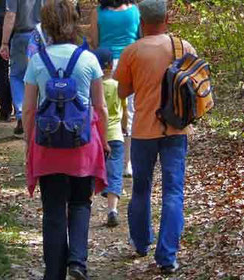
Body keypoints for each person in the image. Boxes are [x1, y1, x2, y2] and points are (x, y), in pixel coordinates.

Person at [23, 0, 110, 278]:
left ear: (46, 26)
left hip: (47, 145)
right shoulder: (89, 60)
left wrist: (29, 141)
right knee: (80, 203)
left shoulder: (38, 61)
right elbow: (100, 107)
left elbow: (28, 108)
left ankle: (54, 272)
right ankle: (77, 262)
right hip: (81, 143)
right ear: (75, 23)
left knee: (52, 210)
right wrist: (105, 140)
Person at [114, 0, 196, 275]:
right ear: (167, 18)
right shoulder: (184, 47)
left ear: (142, 22)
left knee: (141, 187)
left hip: (143, 131)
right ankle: (167, 256)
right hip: (176, 129)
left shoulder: (132, 51)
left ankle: (141, 241)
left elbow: (122, 92)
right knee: (173, 191)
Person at [89, 0, 140, 177]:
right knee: (130, 112)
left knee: (103, 109)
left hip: (105, 66)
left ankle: (103, 157)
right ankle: (128, 163)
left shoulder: (98, 13)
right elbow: (140, 38)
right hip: (131, 63)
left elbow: (95, 42)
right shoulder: (134, 11)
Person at [0, 0, 45, 137]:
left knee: (17, 76)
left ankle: (21, 115)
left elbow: (10, 14)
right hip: (42, 36)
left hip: (21, 35)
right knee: (41, 76)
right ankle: (41, 114)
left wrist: (4, 42)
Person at [92, 48, 127, 227]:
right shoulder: (117, 85)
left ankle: (85, 205)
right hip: (115, 135)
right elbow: (125, 110)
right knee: (115, 174)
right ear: (112, 65)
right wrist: (124, 127)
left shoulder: (93, 86)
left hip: (96, 136)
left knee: (91, 172)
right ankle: (112, 209)